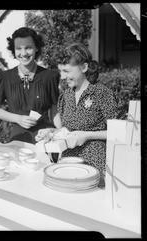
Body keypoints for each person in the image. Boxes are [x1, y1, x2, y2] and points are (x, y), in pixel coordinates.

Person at [35, 43, 118, 172]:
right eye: (60, 71)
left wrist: (87, 135)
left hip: (94, 165)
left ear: (84, 67)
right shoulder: (65, 95)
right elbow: (67, 130)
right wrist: (51, 132)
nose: (62, 77)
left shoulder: (102, 93)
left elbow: (118, 132)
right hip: (67, 162)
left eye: (67, 71)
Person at [0, 27, 60, 144]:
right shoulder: (5, 77)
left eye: (28, 47)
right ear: (14, 50)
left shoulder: (49, 76)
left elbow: (55, 111)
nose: (23, 53)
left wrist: (58, 135)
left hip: (45, 139)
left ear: (36, 47)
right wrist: (18, 118)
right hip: (19, 140)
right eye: (18, 48)